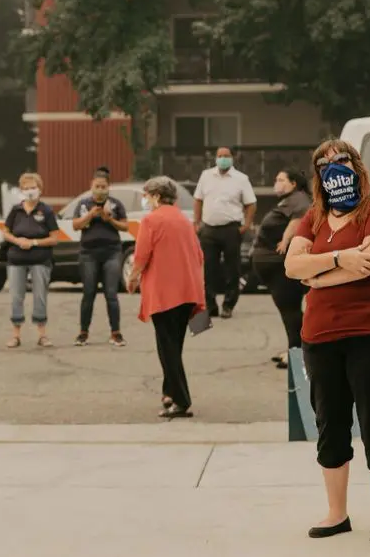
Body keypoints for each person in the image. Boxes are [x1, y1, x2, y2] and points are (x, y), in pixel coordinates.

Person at [285, 139, 370, 544]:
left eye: (342, 159)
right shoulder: (314, 217)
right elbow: (291, 265)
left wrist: (315, 275)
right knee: (330, 425)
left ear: (357, 165)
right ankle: (337, 514)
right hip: (321, 337)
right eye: (324, 162)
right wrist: (338, 259)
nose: (333, 166)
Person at [127, 177, 205, 418]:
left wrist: (132, 278)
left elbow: (141, 255)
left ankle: (181, 400)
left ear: (157, 196)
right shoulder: (184, 220)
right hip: (187, 291)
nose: (146, 200)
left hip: (164, 293)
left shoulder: (151, 220)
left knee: (167, 348)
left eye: (148, 196)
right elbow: (199, 255)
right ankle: (169, 391)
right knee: (175, 345)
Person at [251, 168, 312, 369]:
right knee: (289, 312)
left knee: (291, 311)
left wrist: (286, 240)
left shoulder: (299, 199)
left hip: (283, 267)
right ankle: (294, 348)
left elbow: (298, 220)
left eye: (280, 179)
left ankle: (298, 353)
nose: (276, 183)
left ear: (293, 183)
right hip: (275, 268)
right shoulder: (291, 199)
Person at [193, 147, 257, 318]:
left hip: (231, 229)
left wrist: (246, 224)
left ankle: (228, 304)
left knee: (232, 269)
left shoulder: (241, 179)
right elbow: (198, 200)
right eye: (220, 156)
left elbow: (251, 203)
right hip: (209, 229)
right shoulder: (206, 176)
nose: (222, 159)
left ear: (232, 158)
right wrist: (197, 223)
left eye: (226, 156)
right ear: (215, 158)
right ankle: (210, 304)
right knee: (208, 269)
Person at [1, 172, 60, 348]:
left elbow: (54, 238)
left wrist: (34, 242)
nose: (29, 191)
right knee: (16, 296)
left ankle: (42, 334)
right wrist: (17, 241)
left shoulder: (47, 211)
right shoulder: (15, 210)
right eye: (26, 188)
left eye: (33, 187)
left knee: (40, 296)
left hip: (40, 259)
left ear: (40, 189)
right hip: (16, 259)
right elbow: (5, 232)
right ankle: (16, 335)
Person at [72, 169, 128, 347]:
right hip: (89, 253)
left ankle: (116, 332)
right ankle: (83, 332)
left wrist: (108, 218)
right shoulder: (83, 204)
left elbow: (125, 226)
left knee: (111, 293)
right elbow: (75, 225)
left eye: (103, 186)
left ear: (108, 187)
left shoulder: (116, 204)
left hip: (111, 252)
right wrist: (91, 215)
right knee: (88, 293)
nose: (100, 189)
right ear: (91, 186)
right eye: (97, 186)